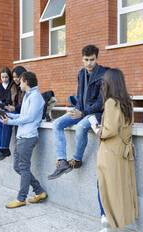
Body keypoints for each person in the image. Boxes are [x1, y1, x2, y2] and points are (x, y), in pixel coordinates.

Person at [89, 68, 138, 232]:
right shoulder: (127, 102)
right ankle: (114, 226)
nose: (102, 85)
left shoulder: (111, 102)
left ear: (109, 83)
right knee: (118, 190)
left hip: (110, 153)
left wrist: (95, 126)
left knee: (104, 189)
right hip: (123, 152)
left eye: (104, 82)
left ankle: (108, 230)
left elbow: (108, 131)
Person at [48, 45, 109, 180]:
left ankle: (77, 160)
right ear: (82, 59)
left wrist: (83, 113)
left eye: (92, 60)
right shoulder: (81, 73)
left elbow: (101, 103)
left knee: (81, 127)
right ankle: (62, 161)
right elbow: (80, 95)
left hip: (97, 114)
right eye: (86, 60)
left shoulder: (104, 74)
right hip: (82, 110)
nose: (89, 63)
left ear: (97, 58)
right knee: (57, 123)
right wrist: (76, 109)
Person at [0, 71, 47, 208]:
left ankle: (21, 198)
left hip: (28, 137)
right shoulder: (28, 96)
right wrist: (9, 115)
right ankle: (39, 191)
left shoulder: (36, 97)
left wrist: (10, 122)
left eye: (21, 81)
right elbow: (23, 115)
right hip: (22, 136)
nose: (19, 83)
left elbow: (29, 118)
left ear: (27, 82)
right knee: (17, 167)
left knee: (24, 168)